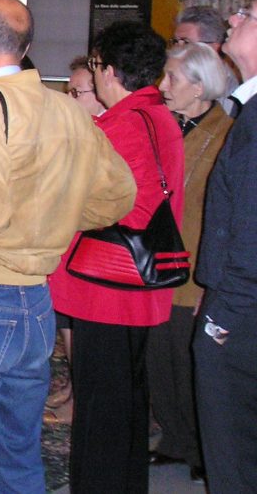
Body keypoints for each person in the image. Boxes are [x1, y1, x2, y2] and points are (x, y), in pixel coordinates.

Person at [0, 0, 136, 493]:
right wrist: (48, 215)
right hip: (37, 305)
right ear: (26, 46)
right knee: (17, 458)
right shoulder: (66, 108)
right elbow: (119, 196)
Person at [49, 21, 183, 494]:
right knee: (125, 404)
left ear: (109, 70)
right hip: (136, 285)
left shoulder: (124, 122)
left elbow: (125, 204)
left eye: (94, 65)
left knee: (101, 411)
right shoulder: (157, 116)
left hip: (106, 287)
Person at [147, 42, 234, 482]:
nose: (163, 87)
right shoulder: (167, 126)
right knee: (159, 361)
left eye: (172, 80)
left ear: (200, 88)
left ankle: (202, 447)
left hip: (196, 269)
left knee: (188, 364)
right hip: (157, 265)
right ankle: (176, 439)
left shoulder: (227, 133)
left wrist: (213, 284)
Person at [193, 0, 257, 494]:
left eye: (248, 14)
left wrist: (223, 314)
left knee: (234, 449)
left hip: (242, 311)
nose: (233, 20)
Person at [43, 56, 107, 425]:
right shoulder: (77, 128)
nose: (70, 98)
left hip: (86, 242)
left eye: (77, 92)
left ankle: (81, 397)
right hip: (66, 238)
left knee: (76, 324)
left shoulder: (101, 133)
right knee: (65, 320)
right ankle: (72, 386)